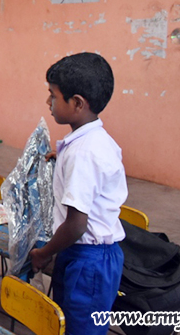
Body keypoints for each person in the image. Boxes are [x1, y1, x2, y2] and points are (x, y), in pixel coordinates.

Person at [29, 53, 127, 335]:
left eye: (53, 96)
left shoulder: (83, 154)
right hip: (84, 253)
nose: (48, 102)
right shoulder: (92, 142)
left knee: (81, 328)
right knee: (70, 322)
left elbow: (76, 225)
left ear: (77, 103)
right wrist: (62, 158)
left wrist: (43, 253)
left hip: (89, 260)